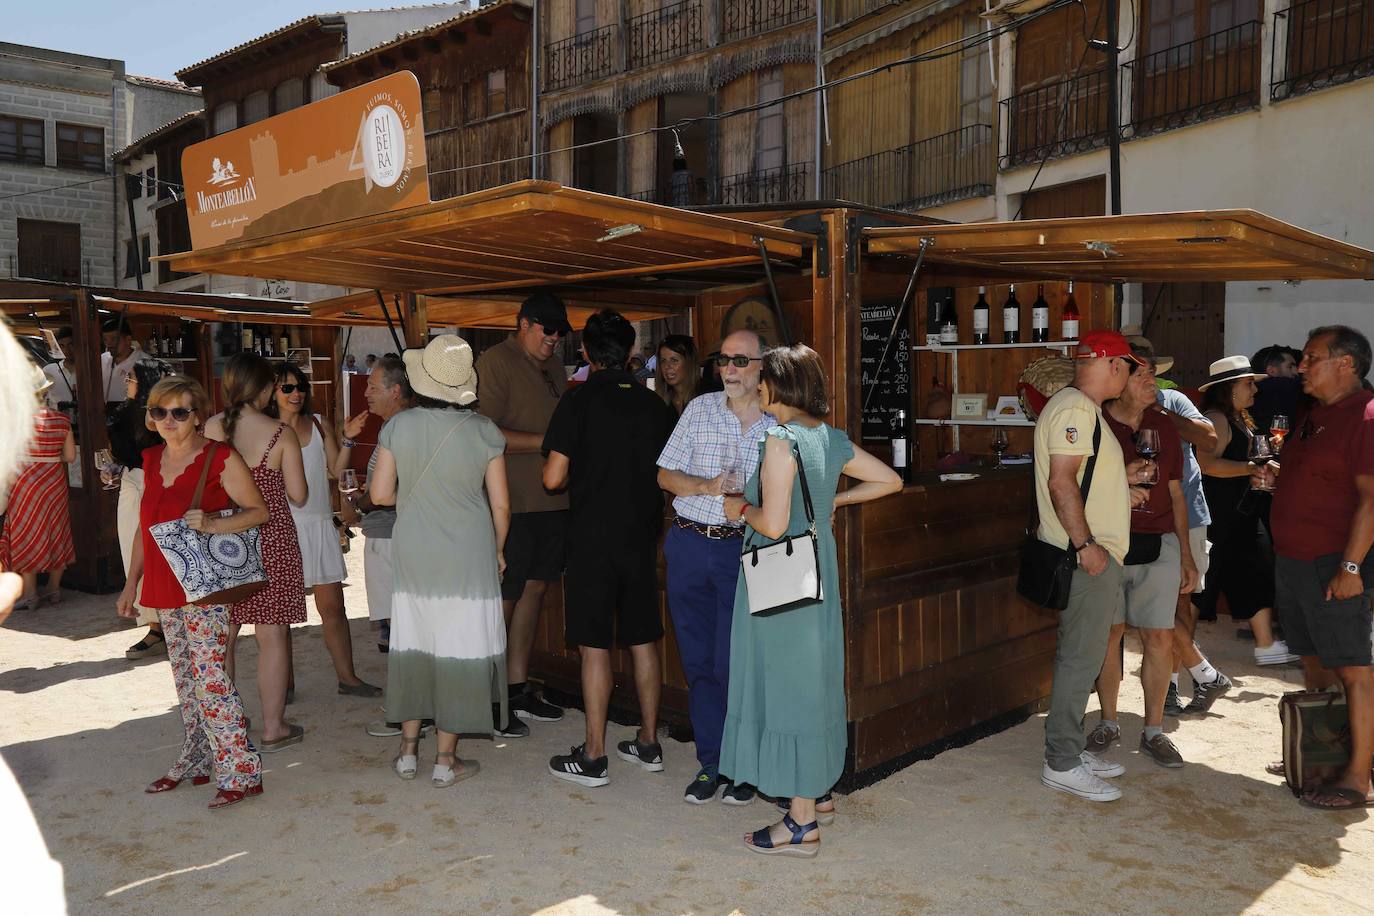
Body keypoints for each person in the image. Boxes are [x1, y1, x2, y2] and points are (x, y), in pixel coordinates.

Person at [720, 344, 901, 857]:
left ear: (778, 385)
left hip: (780, 583)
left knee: (788, 691)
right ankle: (816, 792)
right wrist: (830, 502)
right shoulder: (829, 436)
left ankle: (800, 824)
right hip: (817, 577)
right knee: (812, 683)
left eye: (762, 377)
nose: (756, 384)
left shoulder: (780, 441)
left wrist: (739, 508)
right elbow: (890, 480)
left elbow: (774, 524)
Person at [116, 376, 266, 809]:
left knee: (210, 678)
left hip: (204, 586)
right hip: (164, 583)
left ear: (198, 416)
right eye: (159, 412)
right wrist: (131, 583)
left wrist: (215, 523)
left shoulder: (219, 456)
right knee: (185, 678)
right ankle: (197, 758)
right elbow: (145, 529)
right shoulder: (150, 458)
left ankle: (242, 770)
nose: (169, 420)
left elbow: (259, 511)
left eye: (179, 412)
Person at [368, 334, 510, 788]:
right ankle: (446, 761)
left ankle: (408, 752)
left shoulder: (399, 427)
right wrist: (499, 550)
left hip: (415, 546)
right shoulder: (485, 431)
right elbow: (501, 505)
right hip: (469, 550)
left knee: (415, 640)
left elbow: (380, 494)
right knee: (458, 645)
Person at [541, 310, 675, 787]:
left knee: (593, 644)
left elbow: (552, 478)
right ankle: (649, 742)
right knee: (643, 638)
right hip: (640, 536)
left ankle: (594, 756)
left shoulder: (577, 401)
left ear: (585, 352)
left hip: (591, 539)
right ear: (631, 352)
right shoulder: (655, 405)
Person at [657, 329, 775, 805]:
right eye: (724, 359)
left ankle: (744, 764)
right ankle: (713, 762)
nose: (729, 369)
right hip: (689, 544)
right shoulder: (699, 409)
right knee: (699, 662)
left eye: (741, 361)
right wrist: (706, 486)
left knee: (738, 664)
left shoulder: (777, 420)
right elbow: (664, 475)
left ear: (763, 366)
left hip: (744, 551)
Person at [1264, 325, 1374, 810]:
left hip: (1333, 564)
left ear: (1345, 363)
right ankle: (1321, 753)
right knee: (1314, 661)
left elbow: (1371, 499)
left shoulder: (1366, 416)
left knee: (1353, 669)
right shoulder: (1315, 414)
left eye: (1311, 358)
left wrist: (1350, 567)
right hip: (1294, 562)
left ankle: (1357, 778)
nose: (1302, 367)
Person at [1035, 330, 1147, 802]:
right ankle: (1061, 762)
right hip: (1086, 557)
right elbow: (1061, 482)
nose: (1129, 377)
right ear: (1114, 365)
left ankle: (1069, 749)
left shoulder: (1078, 407)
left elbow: (1078, 477)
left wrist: (1119, 482)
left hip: (1087, 553)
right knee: (1081, 659)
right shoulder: (1077, 409)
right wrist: (1086, 545)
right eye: (1129, 368)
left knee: (1081, 655)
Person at [1088, 344, 1197, 768]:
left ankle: (1154, 731)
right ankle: (1108, 721)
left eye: (1154, 373)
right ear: (1119, 379)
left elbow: (1175, 492)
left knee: (1159, 637)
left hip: (1159, 542)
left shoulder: (1163, 425)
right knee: (1109, 634)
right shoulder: (1096, 421)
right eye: (1143, 375)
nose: (1153, 382)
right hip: (1109, 543)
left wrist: (1185, 553)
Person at [475, 291, 572, 736]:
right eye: (547, 330)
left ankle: (516, 688)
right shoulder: (496, 362)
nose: (554, 338)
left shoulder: (554, 366)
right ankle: (488, 694)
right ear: (524, 324)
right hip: (511, 503)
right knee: (505, 598)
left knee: (535, 591)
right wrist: (549, 442)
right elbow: (484, 431)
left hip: (554, 501)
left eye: (560, 332)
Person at [205, 353, 308, 753]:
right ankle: (273, 727)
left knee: (224, 634)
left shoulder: (210, 427)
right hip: (271, 538)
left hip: (222, 539)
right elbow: (298, 494)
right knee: (272, 634)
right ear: (265, 389)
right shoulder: (281, 433)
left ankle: (228, 721)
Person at [269, 363, 380, 697]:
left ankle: (347, 678)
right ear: (271, 392)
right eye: (287, 388)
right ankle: (283, 684)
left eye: (300, 386)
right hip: (281, 528)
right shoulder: (265, 429)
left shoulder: (318, 423)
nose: (296, 393)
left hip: (318, 525)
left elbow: (335, 470)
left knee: (334, 609)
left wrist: (348, 440)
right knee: (280, 617)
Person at [1141, 347, 1229, 718]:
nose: (1145, 378)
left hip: (1187, 515)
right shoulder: (1112, 407)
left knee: (1179, 604)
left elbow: (1209, 440)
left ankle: (1173, 686)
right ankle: (1200, 676)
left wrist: (1160, 414)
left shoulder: (1172, 400)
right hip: (1139, 520)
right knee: (1150, 607)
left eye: (1148, 370)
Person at [1196, 356, 1297, 669]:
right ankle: (1179, 646)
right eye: (1248, 383)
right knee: (1202, 584)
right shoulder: (1216, 419)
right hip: (1218, 515)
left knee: (1254, 572)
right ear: (1229, 388)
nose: (1255, 389)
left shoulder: (1239, 418)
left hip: (1238, 514)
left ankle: (1265, 644)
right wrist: (1249, 468)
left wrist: (1263, 469)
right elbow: (1206, 464)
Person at [110, 359, 174, 659]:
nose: (127, 381)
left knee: (159, 551)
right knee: (131, 550)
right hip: (130, 481)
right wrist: (111, 469)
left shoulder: (164, 413)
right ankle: (154, 625)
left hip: (156, 481)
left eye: (132, 377)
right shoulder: (123, 412)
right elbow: (120, 453)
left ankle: (166, 625)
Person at [1, 367, 77, 611]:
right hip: (54, 482)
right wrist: (48, 458)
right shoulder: (62, 420)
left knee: (26, 533)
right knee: (57, 531)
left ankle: (30, 594)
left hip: (25, 483)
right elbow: (70, 457)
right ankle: (54, 589)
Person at [1249, 344, 1303, 433]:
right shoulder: (1285, 387)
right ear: (1272, 371)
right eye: (1290, 367)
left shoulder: (1250, 394)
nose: (1296, 372)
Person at [100, 318, 152, 404]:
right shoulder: (101, 360)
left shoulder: (147, 363)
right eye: (105, 340)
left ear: (128, 340)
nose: (109, 344)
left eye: (114, 339)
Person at [654, 334, 702, 419]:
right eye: (663, 361)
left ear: (689, 362)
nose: (667, 366)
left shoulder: (708, 396)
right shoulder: (659, 401)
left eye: (674, 360)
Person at [42, 326, 76, 413]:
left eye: (71, 344)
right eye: (62, 346)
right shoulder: (48, 370)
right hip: (58, 418)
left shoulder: (88, 370)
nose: (67, 350)